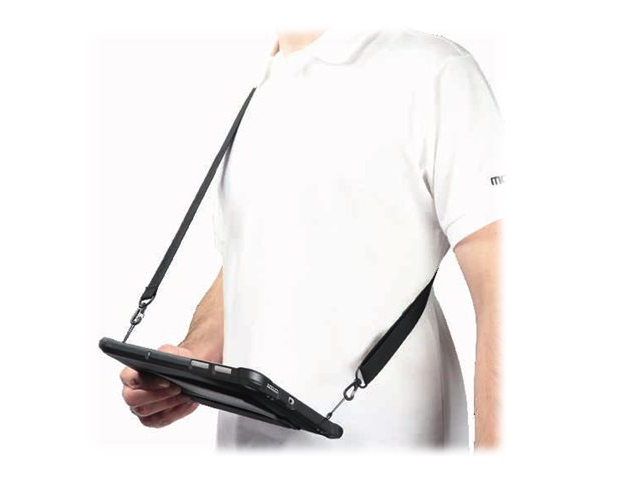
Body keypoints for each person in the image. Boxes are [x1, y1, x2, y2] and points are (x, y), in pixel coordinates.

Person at [119, 28, 503, 449]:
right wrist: (191, 359)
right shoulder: (260, 87)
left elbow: (503, 288)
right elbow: (249, 258)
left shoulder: (433, 68)